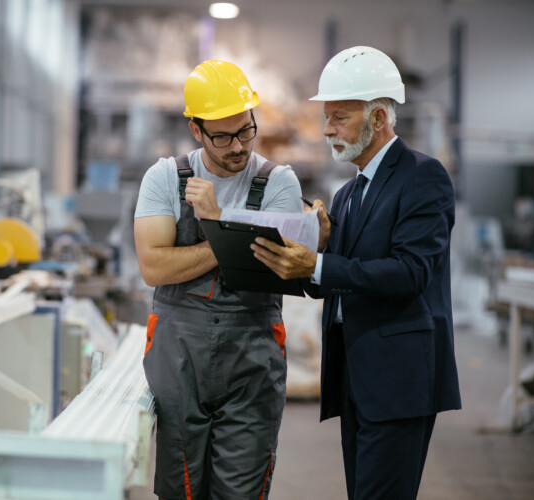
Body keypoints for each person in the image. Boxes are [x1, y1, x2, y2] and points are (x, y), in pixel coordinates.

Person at [251, 46, 461, 499]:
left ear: (379, 119)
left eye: (339, 117)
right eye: (327, 117)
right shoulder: (348, 194)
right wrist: (315, 247)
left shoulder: (423, 178)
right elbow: (340, 276)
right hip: (356, 379)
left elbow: (411, 272)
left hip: (399, 379)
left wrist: (322, 263)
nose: (327, 129)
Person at [134, 60, 303, 499]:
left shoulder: (279, 182)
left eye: (246, 131)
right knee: (180, 488)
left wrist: (216, 218)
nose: (238, 147)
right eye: (223, 136)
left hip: (252, 361)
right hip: (179, 361)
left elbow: (280, 264)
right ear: (196, 130)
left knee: (241, 492)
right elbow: (153, 266)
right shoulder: (165, 178)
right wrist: (231, 239)